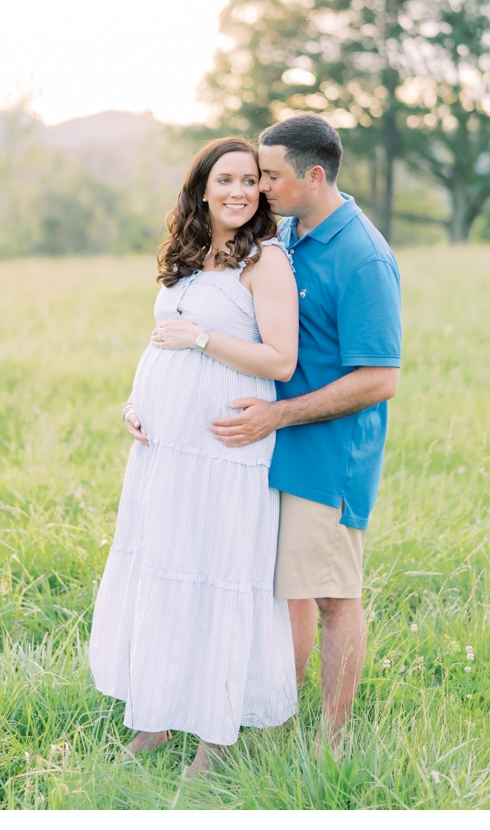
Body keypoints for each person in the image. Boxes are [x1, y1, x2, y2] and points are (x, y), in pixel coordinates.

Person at [89, 137, 300, 777]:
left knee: (219, 576)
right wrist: (135, 401)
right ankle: (155, 718)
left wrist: (203, 339)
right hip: (167, 456)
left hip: (225, 451)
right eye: (226, 179)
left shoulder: (265, 263)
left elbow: (280, 360)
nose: (239, 191)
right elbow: (161, 342)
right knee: (165, 571)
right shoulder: (187, 257)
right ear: (202, 188)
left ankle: (215, 737)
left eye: (249, 181)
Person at [209, 114, 401, 749]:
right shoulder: (288, 232)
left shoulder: (362, 255)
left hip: (329, 456)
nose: (260, 187)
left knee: (332, 598)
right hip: (276, 443)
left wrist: (281, 414)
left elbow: (379, 378)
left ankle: (333, 742)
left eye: (272, 176)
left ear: (314, 177)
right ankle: (278, 721)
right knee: (288, 592)